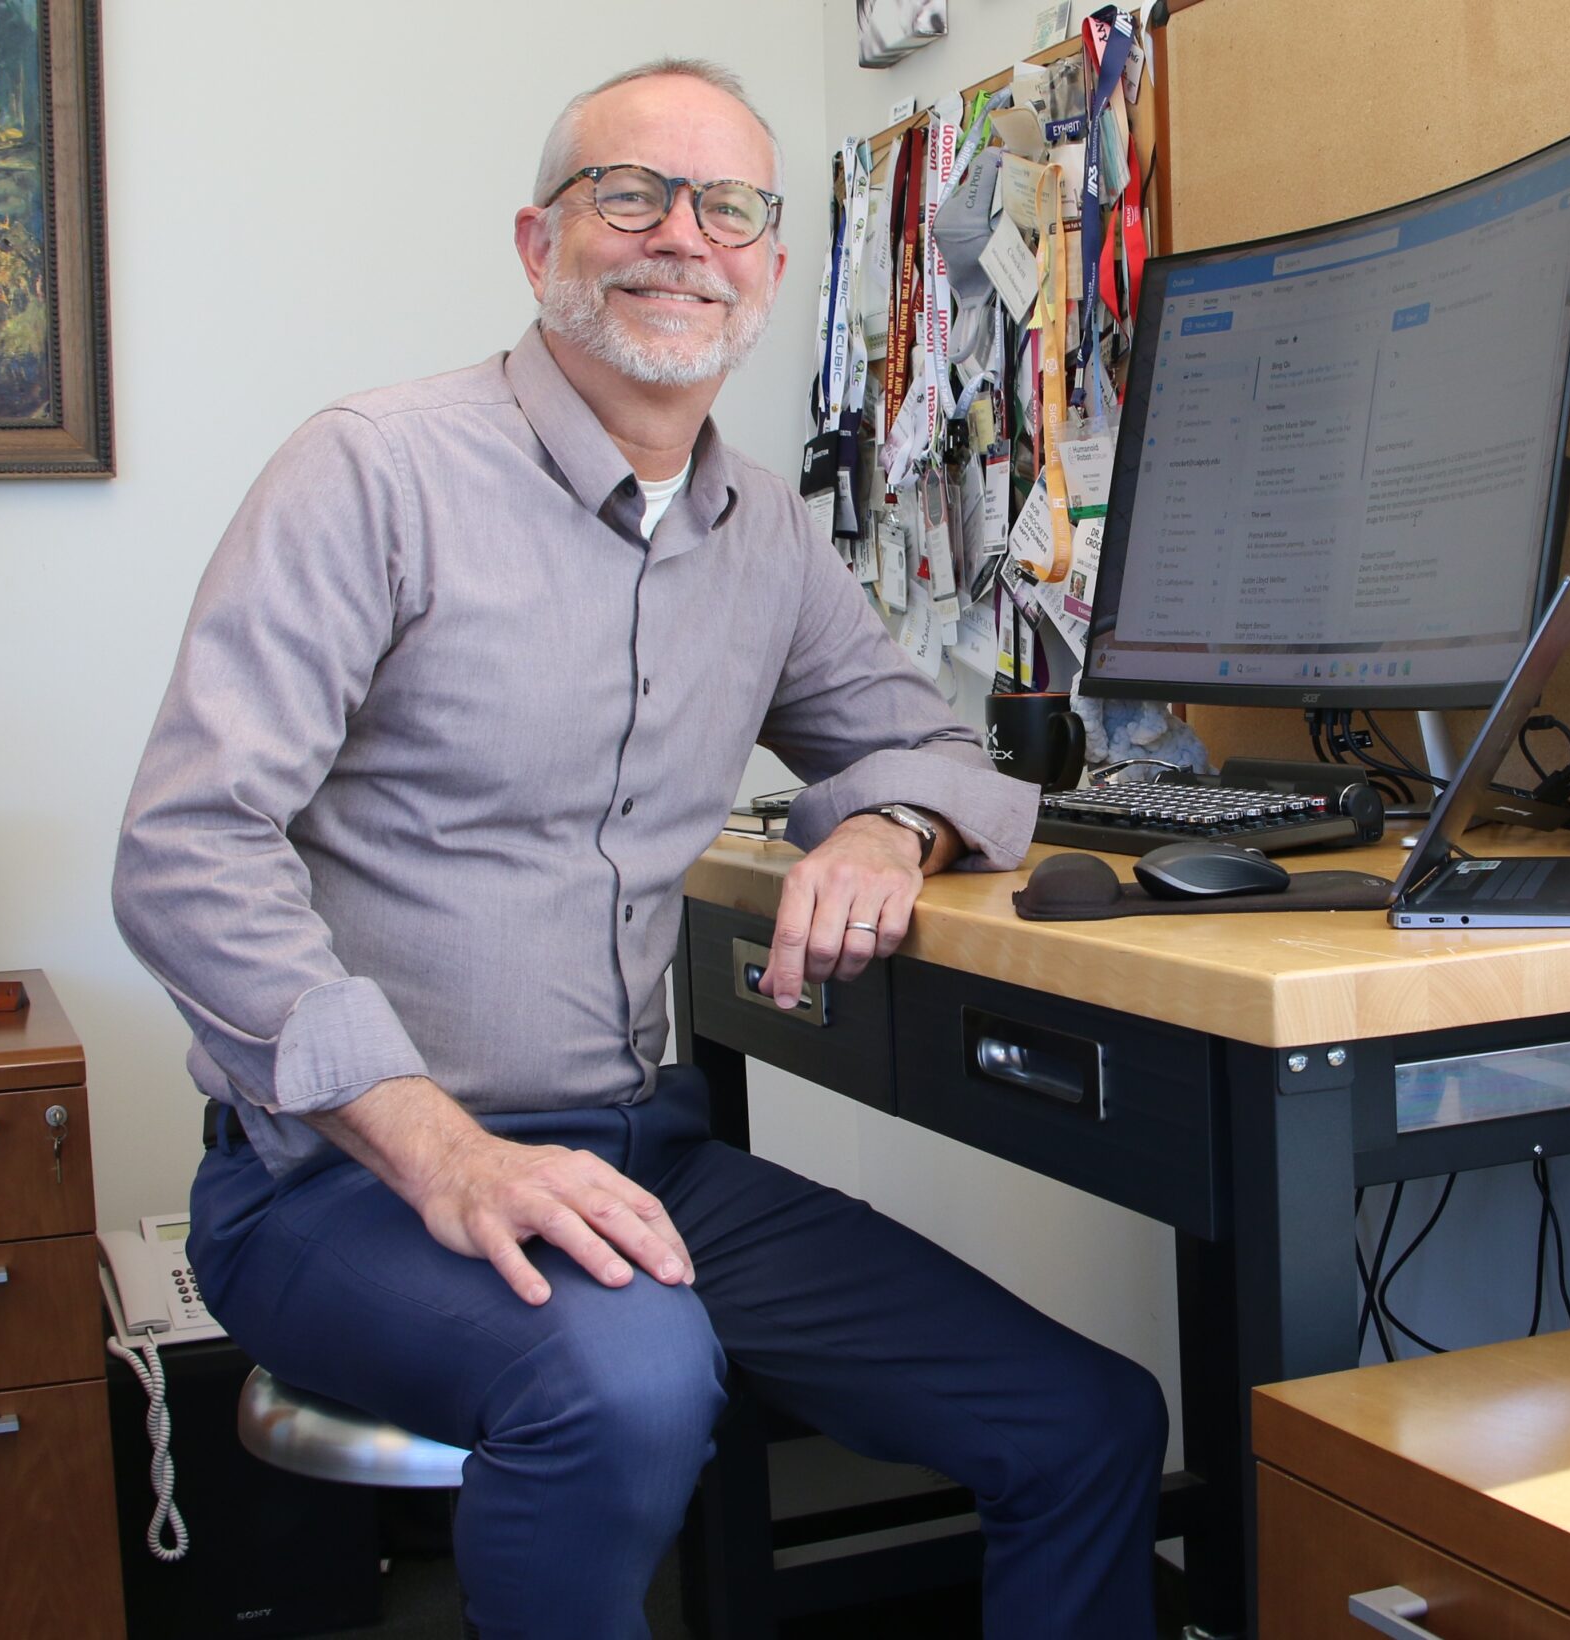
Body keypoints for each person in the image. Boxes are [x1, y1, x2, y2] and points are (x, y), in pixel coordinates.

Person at [113, 61, 1164, 1640]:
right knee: (629, 1383)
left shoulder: (763, 535)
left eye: (728, 207)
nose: (683, 237)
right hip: (341, 1182)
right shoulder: (375, 472)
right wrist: (445, 1151)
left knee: (1084, 1422)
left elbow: (940, 749)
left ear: (773, 265)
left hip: (632, 1158)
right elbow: (189, 843)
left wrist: (887, 822)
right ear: (540, 243)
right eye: (632, 196)